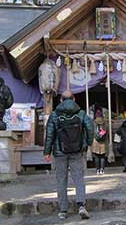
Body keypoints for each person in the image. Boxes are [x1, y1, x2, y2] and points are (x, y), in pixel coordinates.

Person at [43, 91, 94, 220]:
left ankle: (63, 210)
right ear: (74, 99)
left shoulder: (54, 115)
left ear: (61, 100)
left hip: (60, 152)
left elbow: (49, 135)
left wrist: (47, 152)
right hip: (77, 151)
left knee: (61, 180)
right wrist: (87, 143)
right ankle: (81, 205)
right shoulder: (81, 113)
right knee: (78, 179)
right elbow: (90, 128)